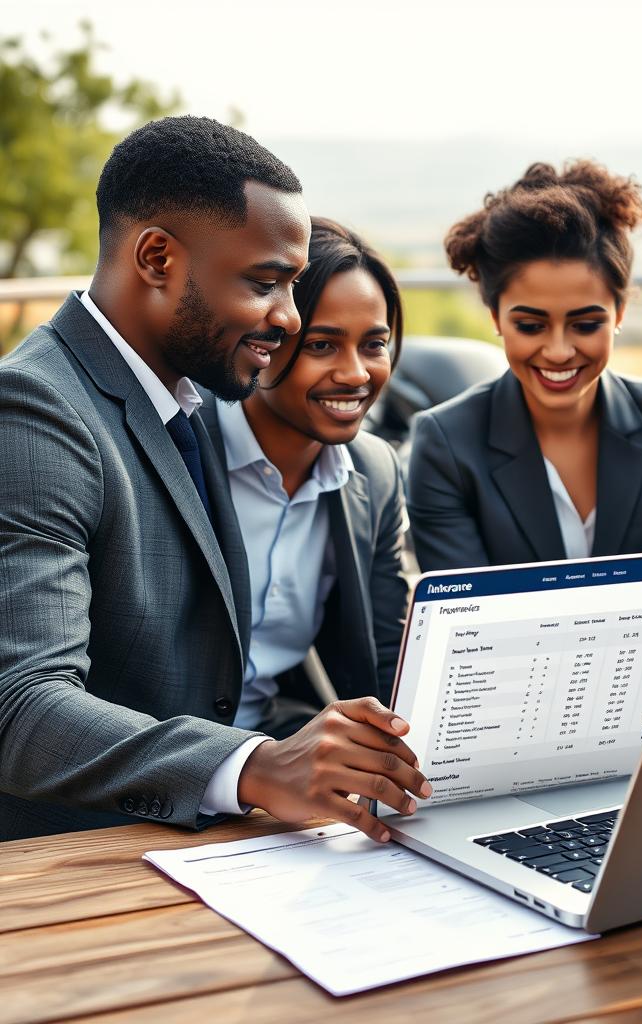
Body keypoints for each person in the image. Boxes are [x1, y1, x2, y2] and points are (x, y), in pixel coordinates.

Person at [0, 117, 429, 843]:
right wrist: (258, 764)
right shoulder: (35, 410)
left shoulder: (186, 402)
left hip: (201, 835)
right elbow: (21, 705)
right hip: (76, 858)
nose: (288, 319)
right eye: (266, 283)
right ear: (158, 258)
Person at [407, 160, 642, 571]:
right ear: (495, 317)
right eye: (530, 325)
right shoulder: (446, 445)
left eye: (586, 323)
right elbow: (468, 620)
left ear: (621, 312)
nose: (558, 351)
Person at [197, 218, 407, 737]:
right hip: (146, 778)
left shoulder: (374, 473)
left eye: (374, 345)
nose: (356, 373)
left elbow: (387, 661)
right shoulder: (178, 444)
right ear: (262, 340)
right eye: (321, 345)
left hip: (280, 770)